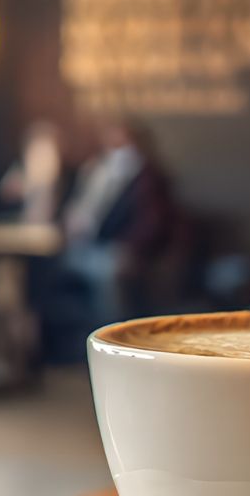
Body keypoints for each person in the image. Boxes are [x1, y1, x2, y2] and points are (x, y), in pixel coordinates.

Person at [58, 119, 178, 344]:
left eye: (122, 142)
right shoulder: (101, 173)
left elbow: (153, 225)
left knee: (108, 272)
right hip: (90, 246)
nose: (116, 149)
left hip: (128, 252)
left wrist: (130, 249)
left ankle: (115, 338)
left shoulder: (149, 178)